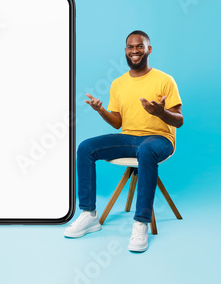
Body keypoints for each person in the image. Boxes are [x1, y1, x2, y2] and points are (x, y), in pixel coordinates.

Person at [64, 30, 184, 252]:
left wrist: (160, 113)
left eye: (140, 46)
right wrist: (101, 111)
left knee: (147, 151)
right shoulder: (118, 84)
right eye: (130, 47)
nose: (135, 50)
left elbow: (179, 121)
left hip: (159, 139)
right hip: (129, 138)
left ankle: (141, 223)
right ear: (125, 50)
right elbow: (117, 123)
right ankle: (89, 215)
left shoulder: (165, 80)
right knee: (85, 147)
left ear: (149, 49)